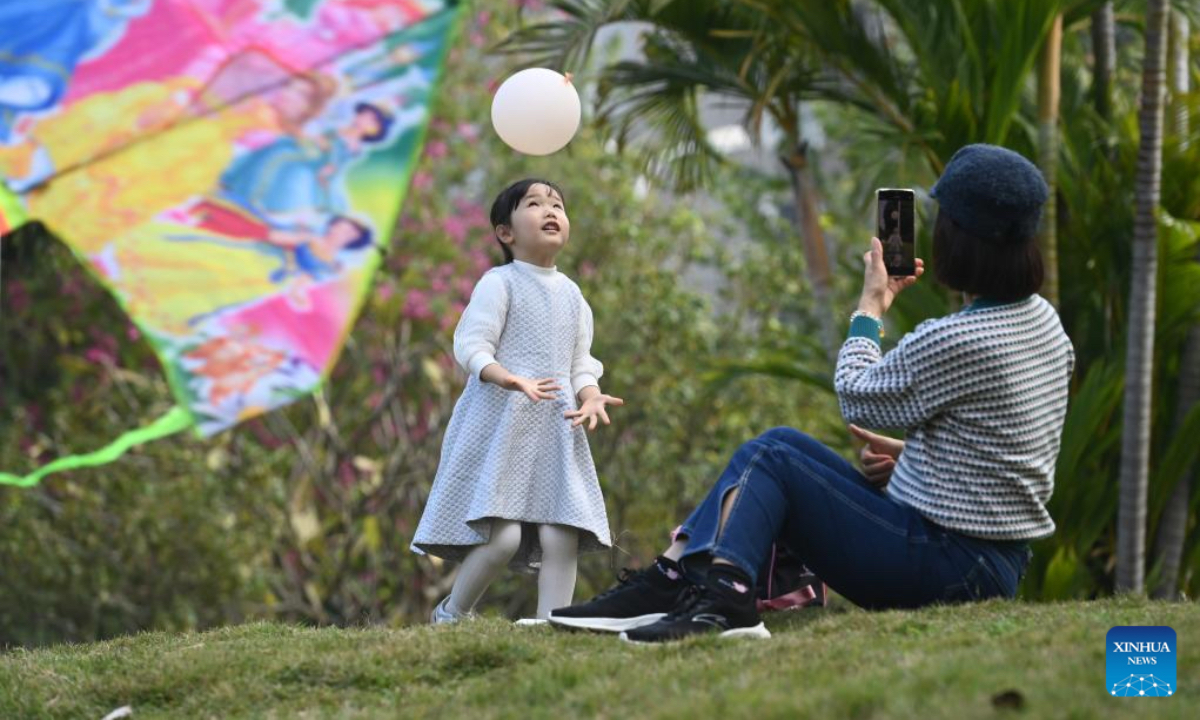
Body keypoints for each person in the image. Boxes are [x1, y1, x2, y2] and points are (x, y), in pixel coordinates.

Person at [549, 144, 1075, 643]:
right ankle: (673, 579)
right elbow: (1011, 441)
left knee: (774, 459)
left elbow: (857, 393)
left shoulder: (958, 337)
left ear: (958, 238)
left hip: (947, 567)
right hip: (996, 564)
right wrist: (917, 459)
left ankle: (723, 598)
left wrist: (870, 308)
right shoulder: (1044, 323)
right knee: (777, 445)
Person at [411, 179, 625, 623]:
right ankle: (452, 613)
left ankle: (554, 622)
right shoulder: (500, 283)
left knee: (562, 529)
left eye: (558, 205)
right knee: (502, 538)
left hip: (555, 427)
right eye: (534, 204)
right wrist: (507, 378)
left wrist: (589, 395)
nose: (550, 210)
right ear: (505, 233)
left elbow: (580, 362)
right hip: (500, 426)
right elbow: (472, 345)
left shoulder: (573, 295)